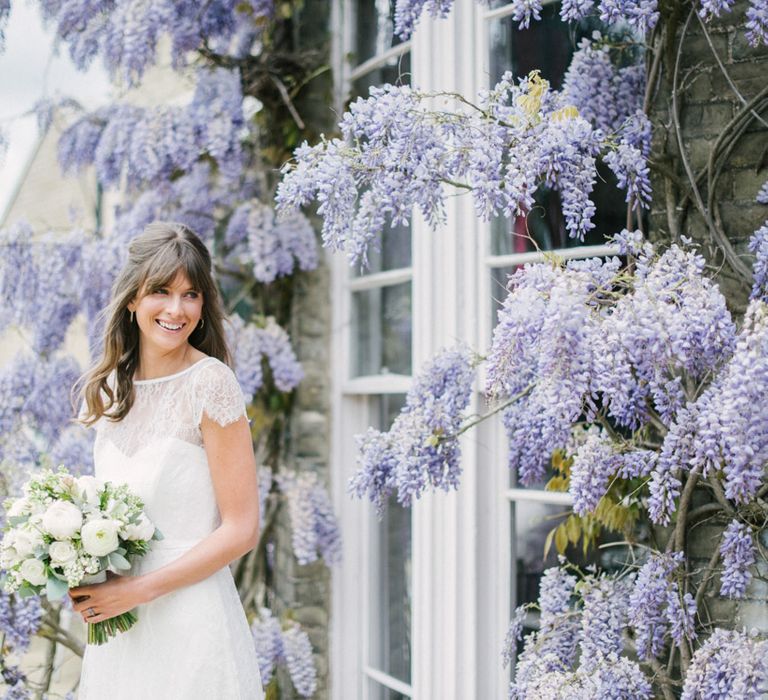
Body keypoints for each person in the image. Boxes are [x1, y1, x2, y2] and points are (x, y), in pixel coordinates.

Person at [71, 222, 264, 699]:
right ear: (133, 299)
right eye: (161, 291)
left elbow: (241, 529)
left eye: (191, 294)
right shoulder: (111, 386)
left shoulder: (210, 383)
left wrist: (136, 591)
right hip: (122, 632)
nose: (177, 310)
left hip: (191, 621)